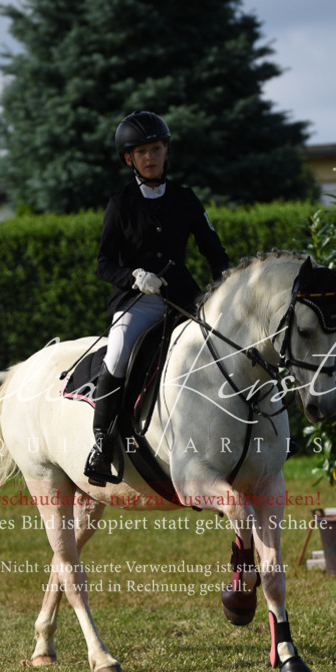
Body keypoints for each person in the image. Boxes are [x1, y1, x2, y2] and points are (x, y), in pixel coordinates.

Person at [84, 110, 230, 484]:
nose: (150, 157)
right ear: (129, 159)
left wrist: (226, 286)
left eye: (156, 148)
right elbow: (103, 264)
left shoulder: (186, 198)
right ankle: (102, 444)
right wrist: (134, 276)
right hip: (139, 301)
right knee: (117, 353)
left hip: (184, 300)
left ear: (166, 152)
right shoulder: (120, 204)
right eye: (141, 152)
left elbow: (212, 251)